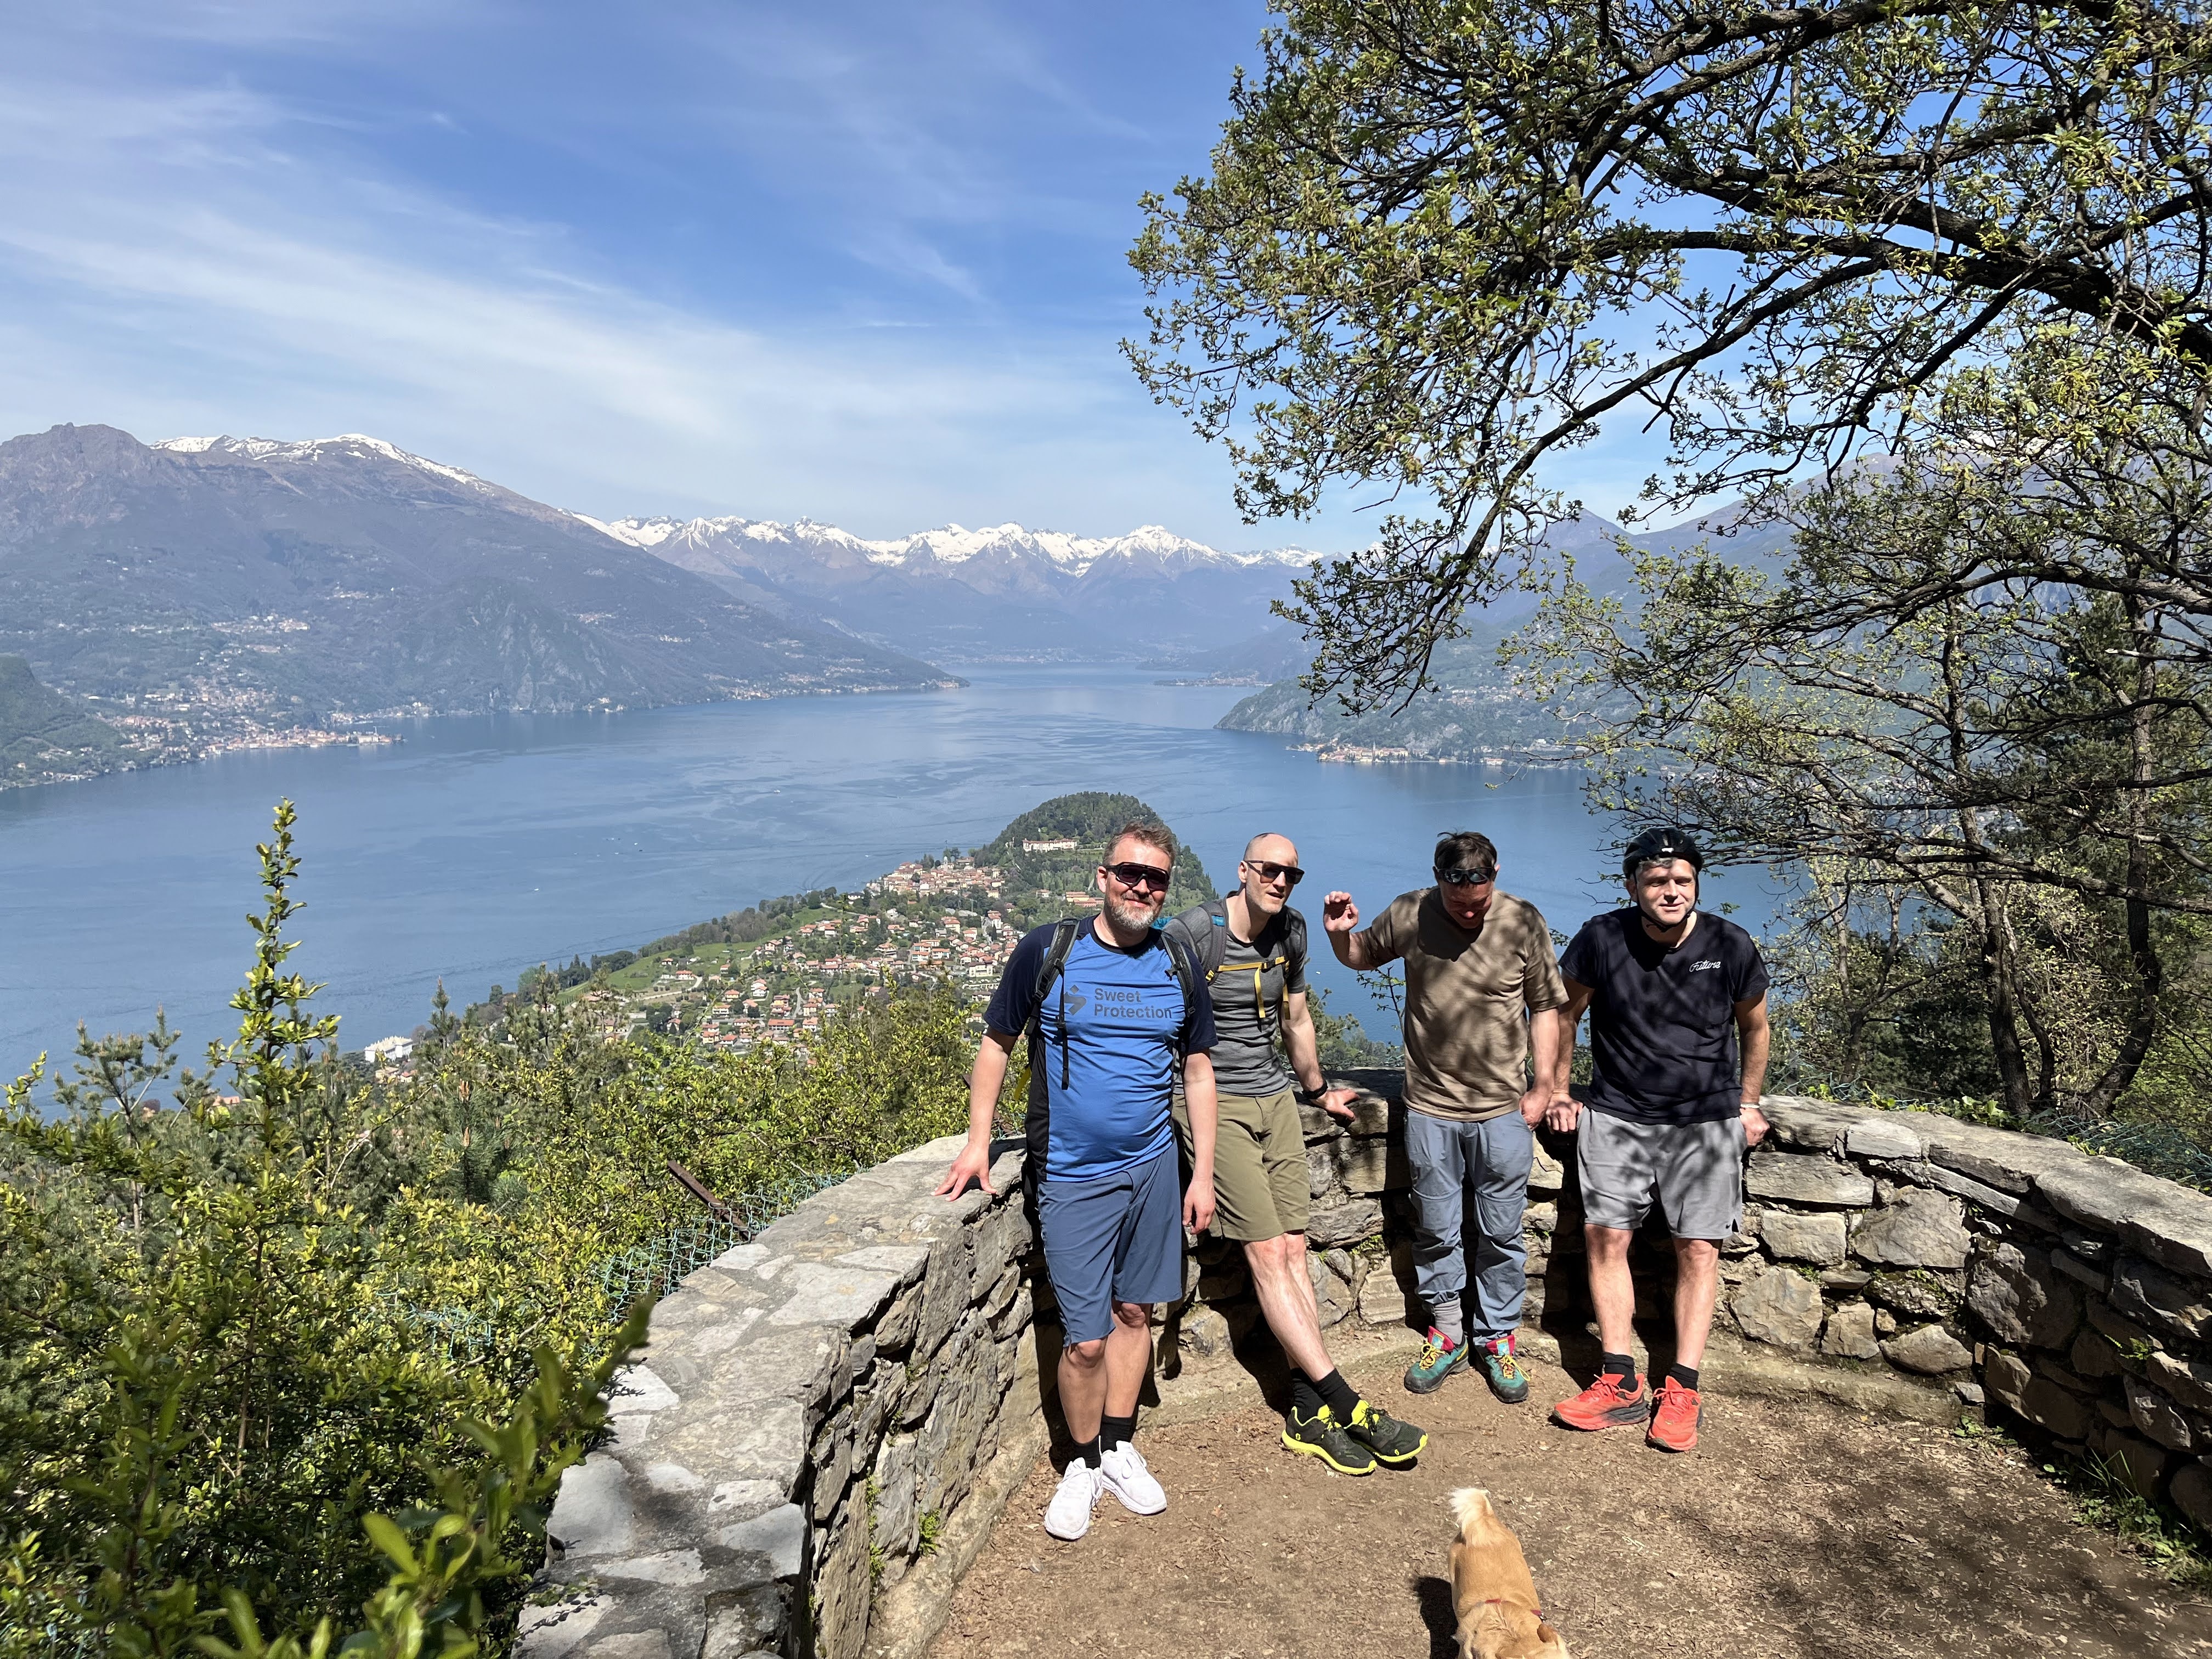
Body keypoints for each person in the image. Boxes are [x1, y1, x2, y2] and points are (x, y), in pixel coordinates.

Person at [936, 821, 1218, 1541]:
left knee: (1135, 1316)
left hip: (1155, 1167)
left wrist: (1203, 1172)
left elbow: (1197, 1070)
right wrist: (978, 1144)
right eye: (1129, 872)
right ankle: (1082, 1461)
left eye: (1155, 877)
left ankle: (1118, 1445)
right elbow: (997, 1042)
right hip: (1070, 1174)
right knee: (1085, 1339)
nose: (1142, 886)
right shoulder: (1050, 950)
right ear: (1102, 876)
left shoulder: (1178, 960)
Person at [1164, 833, 1429, 1475]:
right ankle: (1347, 1402)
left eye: (1291, 873)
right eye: (1270, 870)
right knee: (1262, 1250)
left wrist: (1316, 1089)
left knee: (1292, 1246)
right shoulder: (1193, 935)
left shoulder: (1293, 932)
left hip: (1276, 1099)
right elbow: (1159, 1023)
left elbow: (1297, 1018)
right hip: (1211, 1103)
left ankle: (1307, 1413)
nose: (1281, 881)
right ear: (1244, 871)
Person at [1546, 826, 1771, 1454]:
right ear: (1633, 885)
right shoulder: (1602, 937)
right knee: (1606, 1237)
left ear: (1695, 884)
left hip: (1703, 1122)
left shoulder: (1730, 944)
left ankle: (1684, 1389)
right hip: (1617, 1115)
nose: (1670, 891)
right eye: (1656, 880)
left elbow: (1754, 1028)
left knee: (1698, 1249)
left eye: (1681, 881)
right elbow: (1565, 1014)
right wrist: (1561, 1092)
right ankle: (1619, 1380)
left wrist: (1747, 1104)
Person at [1322, 832, 1565, 1404]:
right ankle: (1449, 1333)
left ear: (1494, 875)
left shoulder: (1522, 920)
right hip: (1431, 1106)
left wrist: (1545, 1087)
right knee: (1436, 1227)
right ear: (1439, 879)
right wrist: (1339, 936)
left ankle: (1498, 1338)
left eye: (1479, 900)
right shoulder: (1411, 911)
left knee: (1502, 1232)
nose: (1470, 911)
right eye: (1459, 903)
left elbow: (1547, 1007)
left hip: (1503, 1108)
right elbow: (1362, 956)